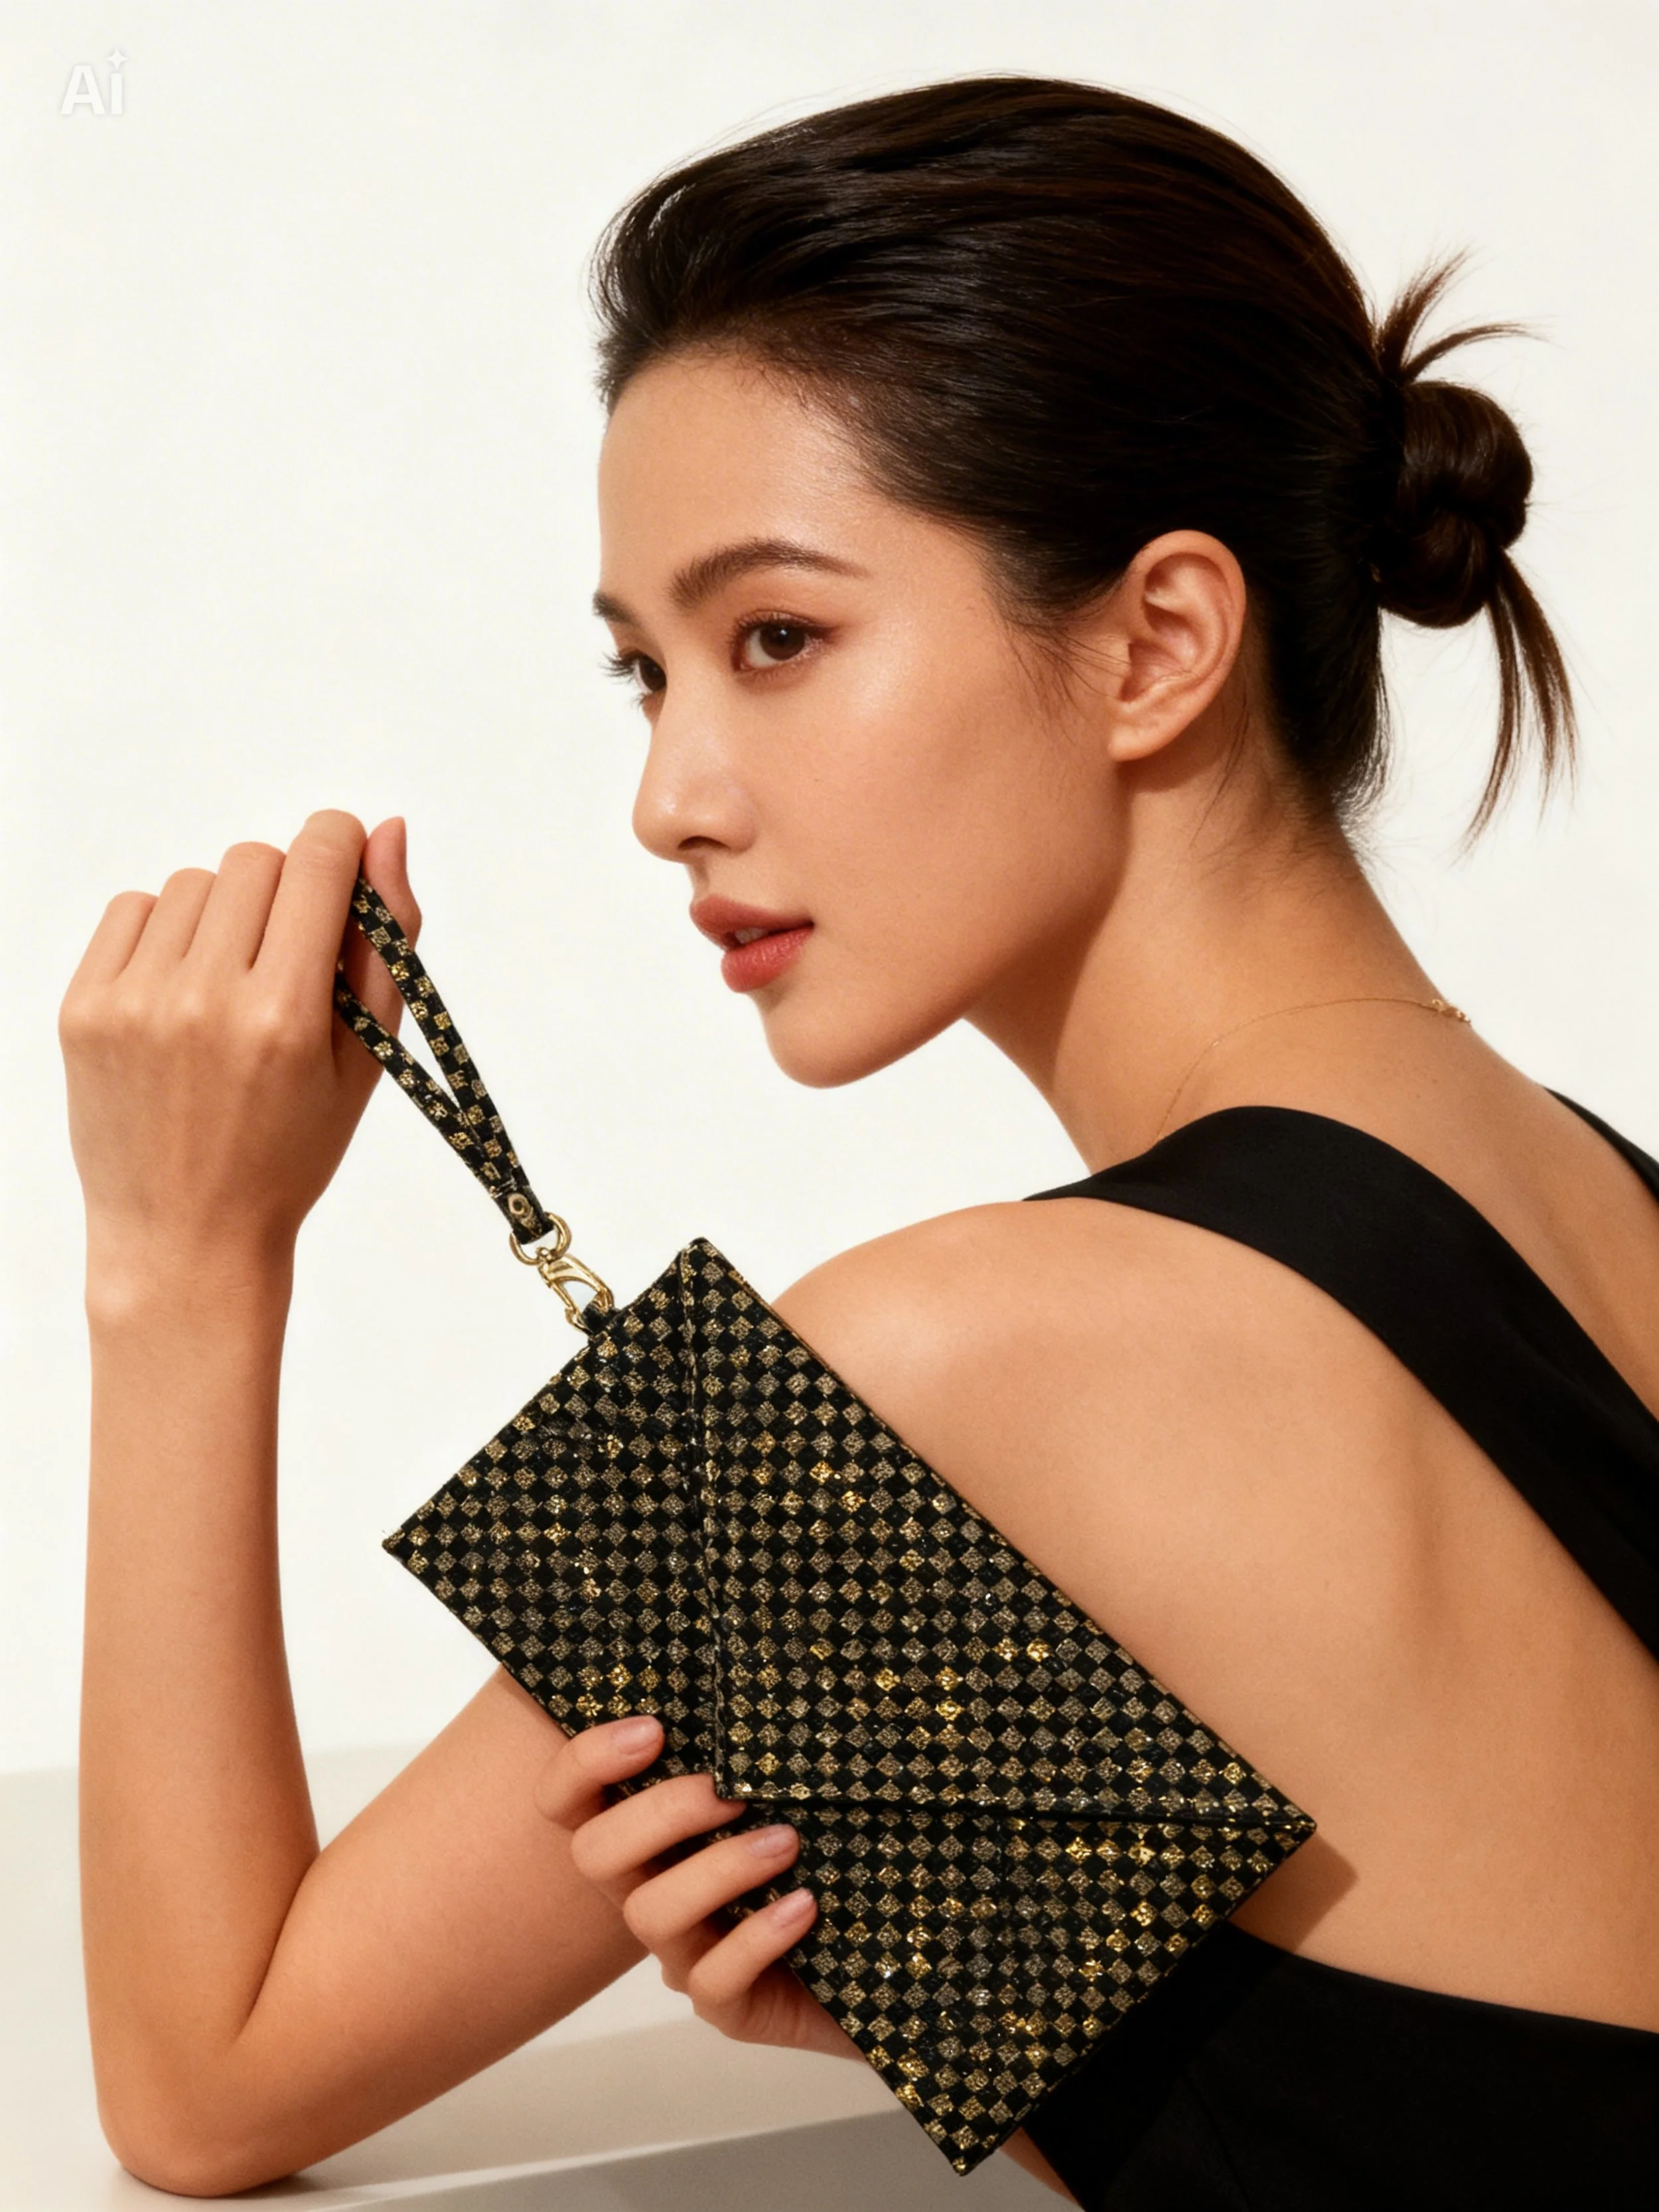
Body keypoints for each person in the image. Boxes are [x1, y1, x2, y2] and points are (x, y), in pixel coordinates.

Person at [60, 76, 1658, 2209]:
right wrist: (1057, 2031)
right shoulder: (1599, 1187)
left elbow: (211, 2072)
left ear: (1158, 642)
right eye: (646, 675)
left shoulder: (961, 1355)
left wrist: (181, 1251)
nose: (672, 796)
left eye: (778, 638)